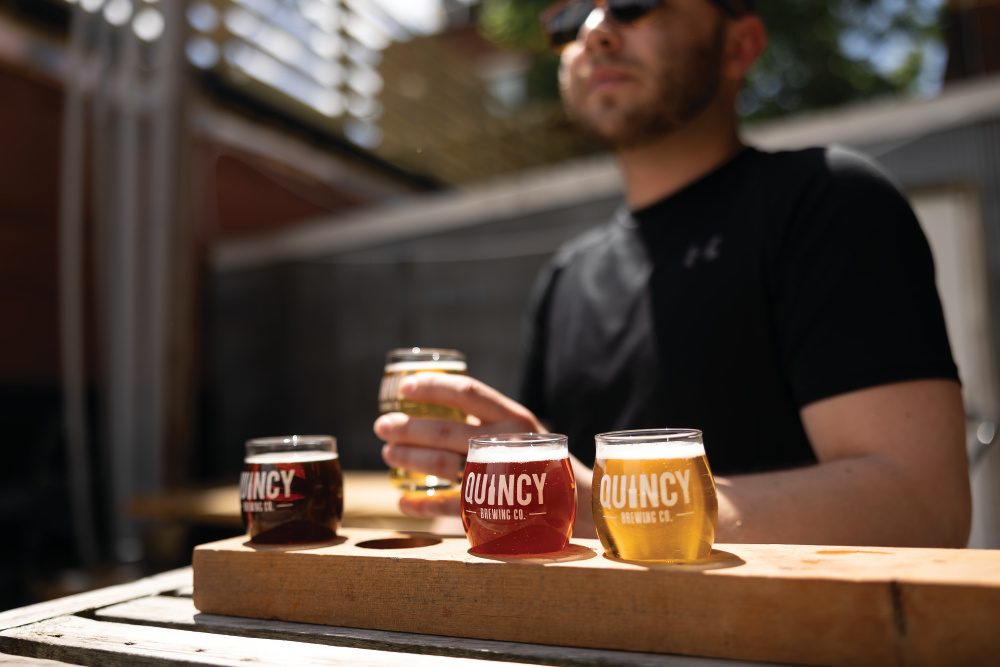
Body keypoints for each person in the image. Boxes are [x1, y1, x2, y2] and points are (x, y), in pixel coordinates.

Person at [374, 0, 972, 547]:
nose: (595, 31)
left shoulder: (829, 201)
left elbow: (923, 508)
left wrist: (606, 506)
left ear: (739, 46)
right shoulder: (566, 276)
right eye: (568, 15)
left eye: (634, 3)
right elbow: (549, 522)